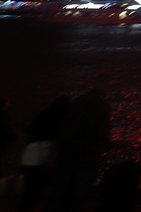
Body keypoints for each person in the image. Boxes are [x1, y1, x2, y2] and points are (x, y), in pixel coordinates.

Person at [50, 82, 109, 212]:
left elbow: (65, 124)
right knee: (81, 188)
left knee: (62, 184)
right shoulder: (101, 106)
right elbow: (101, 130)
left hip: (68, 149)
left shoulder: (77, 102)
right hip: (88, 152)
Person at [18, 95, 70, 212]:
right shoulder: (58, 121)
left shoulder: (42, 116)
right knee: (34, 192)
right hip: (40, 160)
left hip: (28, 156)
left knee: (29, 192)